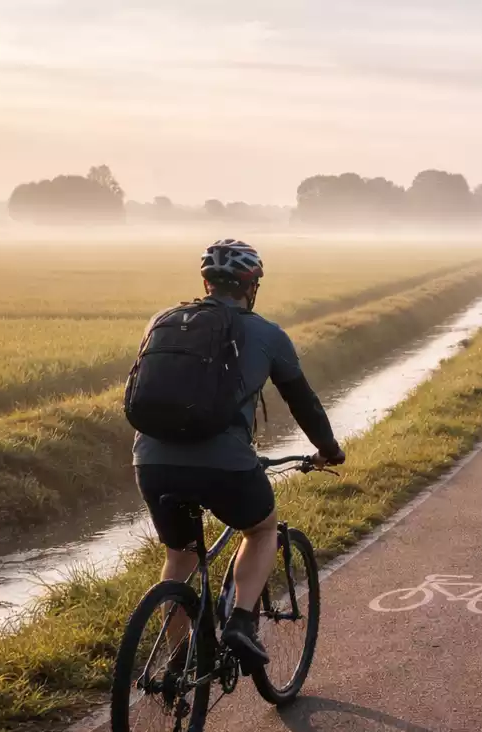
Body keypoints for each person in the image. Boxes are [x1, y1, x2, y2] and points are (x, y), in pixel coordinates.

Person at [133, 239, 345, 665]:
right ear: (252, 286)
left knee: (181, 555)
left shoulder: (163, 320)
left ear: (206, 282)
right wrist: (328, 450)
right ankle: (241, 624)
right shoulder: (266, 333)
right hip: (223, 462)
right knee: (262, 529)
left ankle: (180, 663)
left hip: (151, 460)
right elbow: (302, 401)